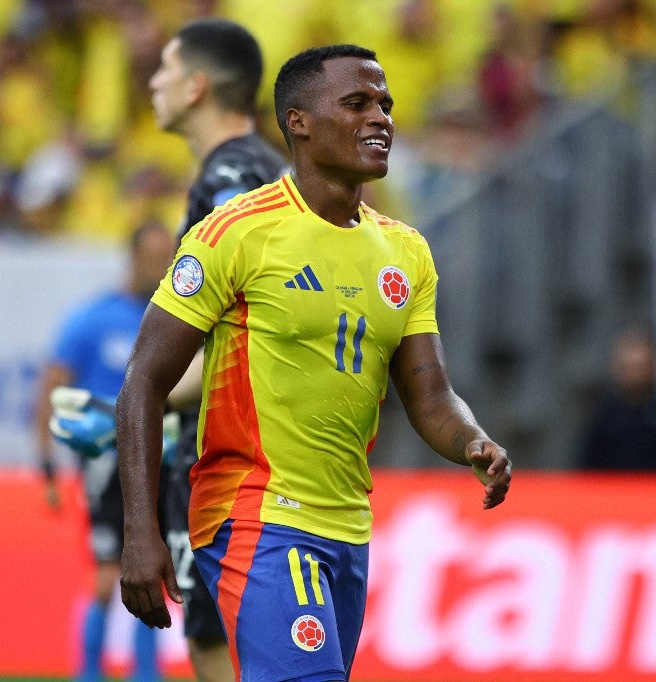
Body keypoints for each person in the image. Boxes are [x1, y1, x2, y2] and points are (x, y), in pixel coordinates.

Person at [115, 44, 513, 681]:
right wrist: (141, 531)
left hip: (349, 525)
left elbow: (432, 398)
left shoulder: (405, 252)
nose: (380, 118)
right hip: (256, 513)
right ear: (297, 122)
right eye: (356, 104)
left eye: (384, 104)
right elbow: (143, 381)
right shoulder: (236, 232)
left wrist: (473, 440)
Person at [146, 18, 290, 681]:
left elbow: (247, 331)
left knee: (231, 643)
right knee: (210, 638)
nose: (153, 81)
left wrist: (143, 401)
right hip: (229, 448)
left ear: (197, 86)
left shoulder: (233, 175)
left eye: (166, 69)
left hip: (236, 460)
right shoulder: (252, 168)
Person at [35, 219, 174, 682]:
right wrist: (47, 466)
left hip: (158, 458)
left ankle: (147, 670)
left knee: (154, 568)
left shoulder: (173, 317)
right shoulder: (92, 319)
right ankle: (90, 670)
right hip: (104, 463)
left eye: (167, 255)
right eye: (154, 255)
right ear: (133, 256)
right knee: (105, 575)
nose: (161, 264)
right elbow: (50, 390)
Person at [579, 326, 656, 472]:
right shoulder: (603, 419)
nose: (635, 375)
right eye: (629, 367)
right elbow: (586, 473)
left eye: (640, 367)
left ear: (653, 367)